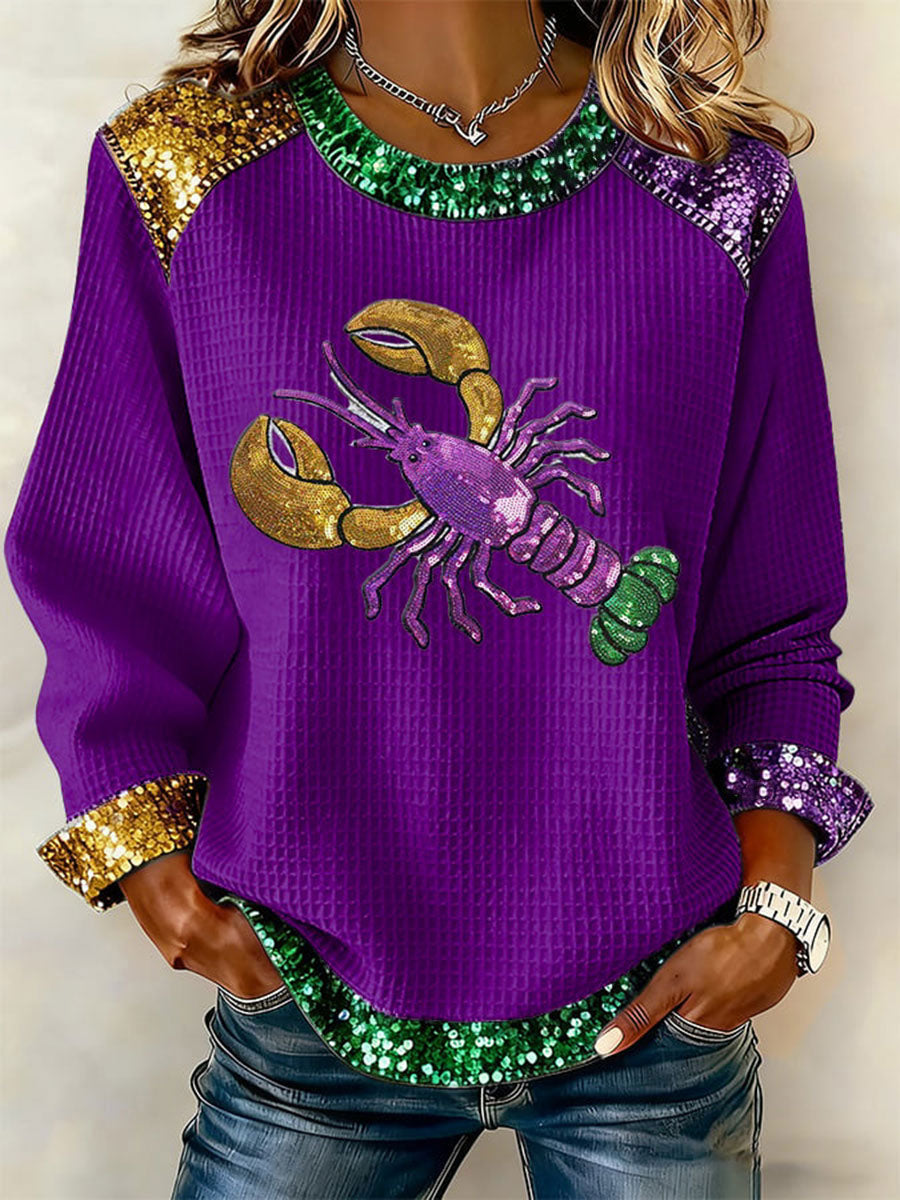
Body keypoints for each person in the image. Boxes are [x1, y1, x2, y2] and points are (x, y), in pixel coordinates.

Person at [4, 0, 875, 1196]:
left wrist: (777, 904)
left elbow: (772, 613)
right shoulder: (182, 168)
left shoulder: (716, 185)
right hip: (308, 988)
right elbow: (107, 558)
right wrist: (143, 853)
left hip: (657, 998)